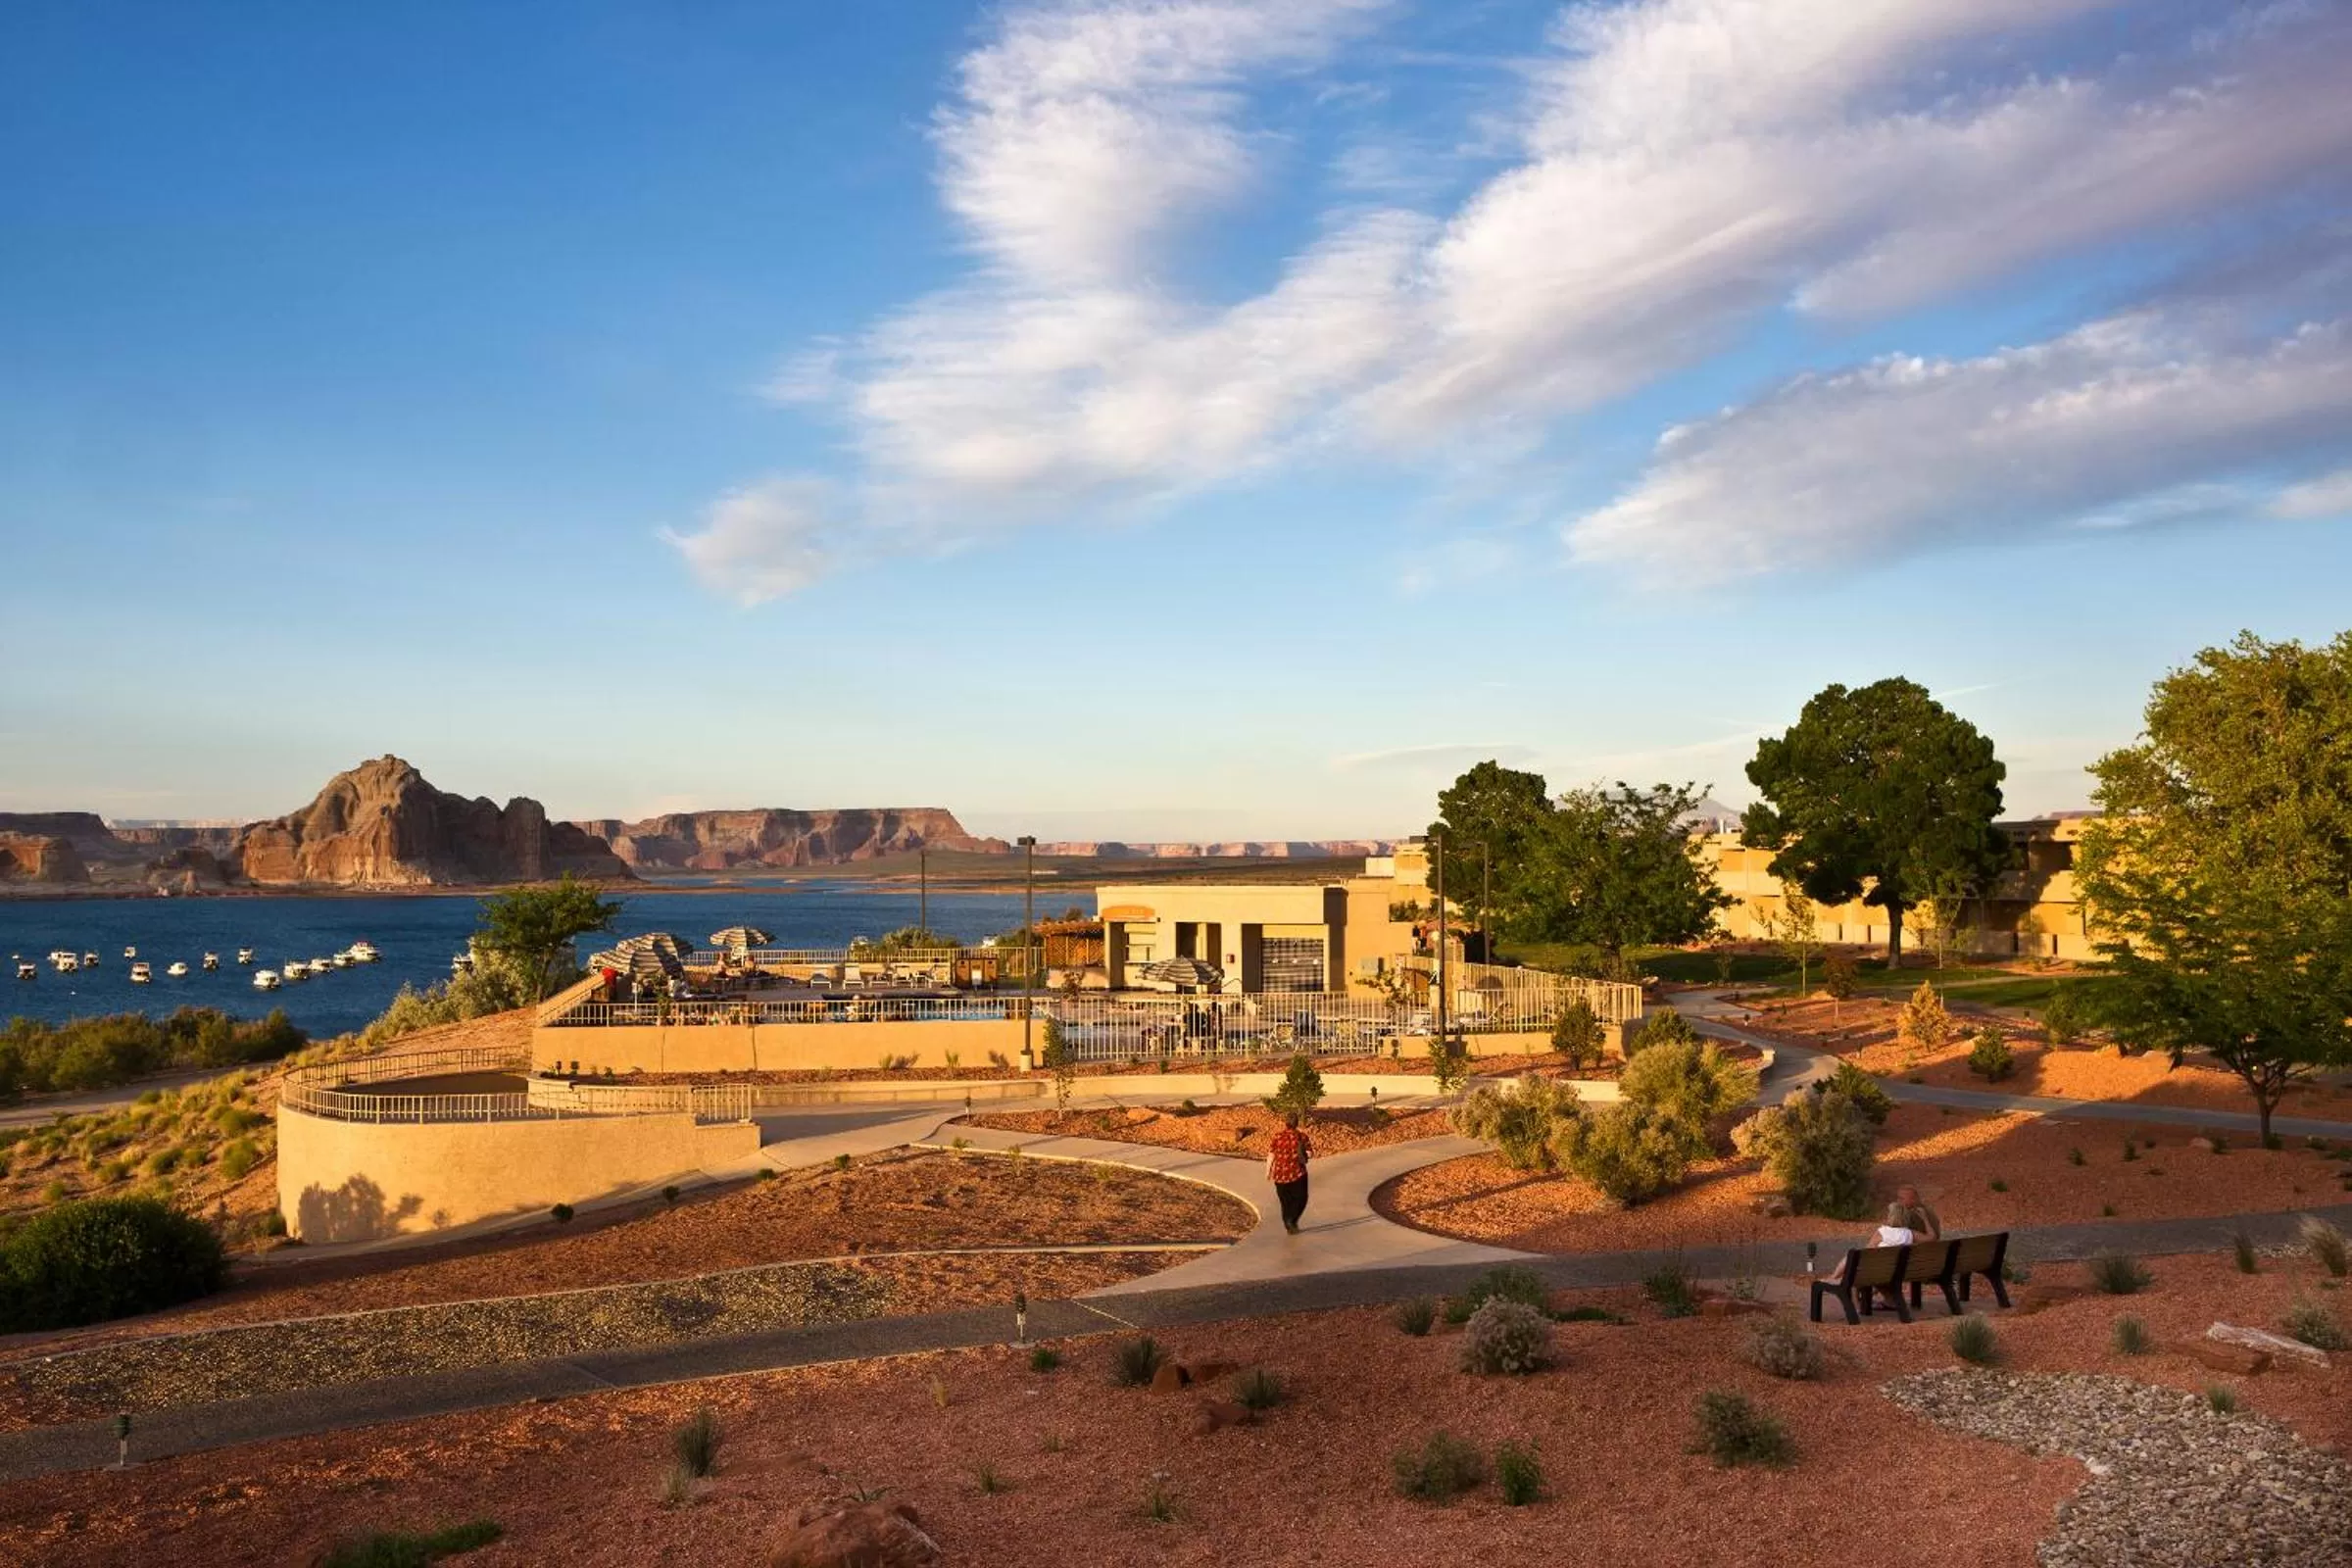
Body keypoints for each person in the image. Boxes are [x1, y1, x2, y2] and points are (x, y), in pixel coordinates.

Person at [1267, 1110, 1313, 1234]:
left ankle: (1288, 1223)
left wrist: (1268, 1171)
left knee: (1285, 1202)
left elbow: (1271, 1155)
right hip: (1297, 1174)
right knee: (1301, 1199)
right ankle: (1292, 1220)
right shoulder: (1302, 1137)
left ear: (1285, 1123)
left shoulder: (1277, 1136)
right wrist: (1304, 1154)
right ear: (1296, 1123)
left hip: (1279, 1176)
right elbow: (1310, 1153)